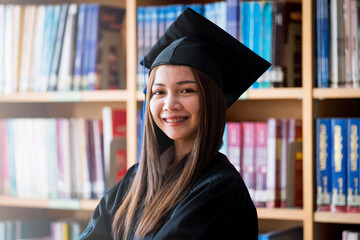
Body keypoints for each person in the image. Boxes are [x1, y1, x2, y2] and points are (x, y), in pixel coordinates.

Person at [80, 7, 270, 240]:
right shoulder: (137, 178)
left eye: (186, 90)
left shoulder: (219, 189)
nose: (170, 104)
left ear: (210, 100)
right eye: (159, 92)